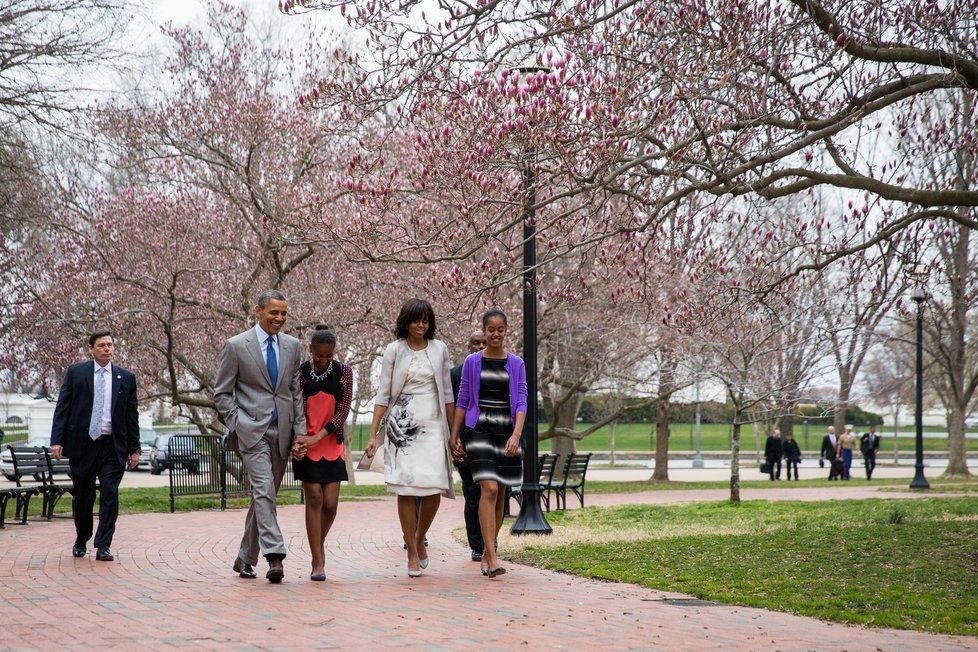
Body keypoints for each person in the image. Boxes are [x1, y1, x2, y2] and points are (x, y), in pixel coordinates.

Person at [215, 289, 306, 583]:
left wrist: (300, 432)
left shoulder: (292, 346)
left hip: (282, 432)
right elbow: (222, 394)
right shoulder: (236, 346)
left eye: (283, 313)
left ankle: (245, 557)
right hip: (251, 432)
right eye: (274, 313)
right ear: (258, 311)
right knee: (264, 491)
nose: (279, 318)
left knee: (263, 497)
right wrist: (238, 422)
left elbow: (295, 392)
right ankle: (275, 555)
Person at [364, 298, 456, 578]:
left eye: (426, 320)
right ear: (406, 322)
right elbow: (383, 393)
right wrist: (372, 434)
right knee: (405, 488)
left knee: (434, 487)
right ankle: (412, 552)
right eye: (416, 320)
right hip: (401, 425)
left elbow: (449, 394)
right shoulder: (394, 350)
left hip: (433, 423)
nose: (421, 325)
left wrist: (454, 434)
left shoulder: (440, 349)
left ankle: (419, 536)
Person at [50, 331, 140, 562]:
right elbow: (63, 407)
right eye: (102, 345)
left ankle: (103, 545)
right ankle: (82, 538)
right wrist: (57, 440)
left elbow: (131, 416)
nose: (107, 349)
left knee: (110, 494)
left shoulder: (126, 378)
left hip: (112, 446)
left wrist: (134, 448)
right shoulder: (76, 373)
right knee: (82, 497)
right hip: (83, 445)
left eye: (110, 345)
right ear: (91, 348)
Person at [450, 308, 527, 579]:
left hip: (506, 431)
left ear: (506, 331)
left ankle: (487, 552)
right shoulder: (473, 361)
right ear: (484, 331)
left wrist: (516, 434)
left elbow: (521, 401)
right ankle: (491, 554)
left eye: (500, 329)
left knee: (501, 493)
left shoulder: (516, 363)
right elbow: (462, 400)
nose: (495, 334)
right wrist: (454, 435)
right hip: (478, 428)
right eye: (490, 329)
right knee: (489, 489)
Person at [290, 326, 352, 582]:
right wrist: (299, 439)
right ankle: (317, 560)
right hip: (307, 442)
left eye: (328, 356)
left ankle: (318, 543)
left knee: (330, 504)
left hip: (330, 442)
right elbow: (297, 407)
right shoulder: (301, 373)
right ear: (311, 350)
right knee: (314, 498)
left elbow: (342, 411)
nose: (323, 361)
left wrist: (319, 436)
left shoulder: (344, 372)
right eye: (319, 356)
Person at [450, 328, 488, 562]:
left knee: (492, 493)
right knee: (473, 494)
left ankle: (490, 542)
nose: (480, 346)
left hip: (492, 442)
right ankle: (477, 545)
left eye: (483, 342)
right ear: (468, 346)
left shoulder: (499, 369)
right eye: (475, 343)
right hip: (466, 444)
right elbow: (453, 408)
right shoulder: (456, 374)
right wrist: (456, 440)